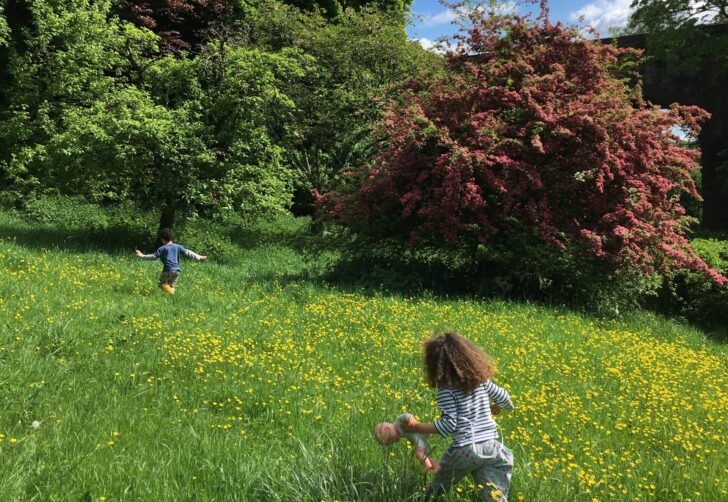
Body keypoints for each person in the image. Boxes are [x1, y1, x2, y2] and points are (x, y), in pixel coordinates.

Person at [403, 332, 515, 501]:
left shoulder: (446, 390)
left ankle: (424, 498)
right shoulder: (482, 382)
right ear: (469, 356)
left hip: (465, 449)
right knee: (493, 494)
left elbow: (449, 425)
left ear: (435, 365)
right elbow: (506, 399)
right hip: (491, 448)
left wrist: (417, 427)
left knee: (438, 486)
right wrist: (496, 406)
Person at [135, 228, 207, 295]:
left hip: (168, 270)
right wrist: (199, 257)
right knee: (171, 286)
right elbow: (188, 252)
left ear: (162, 239)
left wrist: (142, 256)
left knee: (161, 284)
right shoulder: (177, 246)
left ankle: (172, 295)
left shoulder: (162, 248)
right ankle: (172, 299)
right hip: (177, 270)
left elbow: (154, 257)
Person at [373, 412, 440, 475]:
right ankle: (436, 466)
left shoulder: (398, 423)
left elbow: (405, 415)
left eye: (391, 438)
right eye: (392, 442)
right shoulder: (401, 433)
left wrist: (411, 419)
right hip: (419, 439)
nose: (394, 441)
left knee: (419, 454)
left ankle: (427, 465)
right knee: (426, 456)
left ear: (387, 428)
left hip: (420, 435)